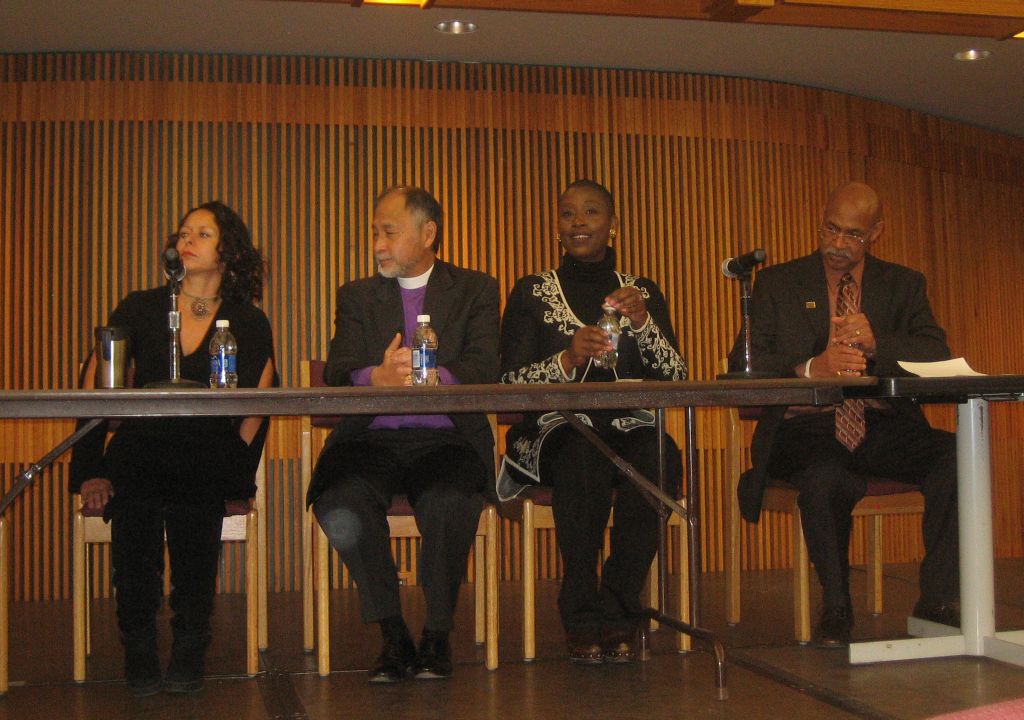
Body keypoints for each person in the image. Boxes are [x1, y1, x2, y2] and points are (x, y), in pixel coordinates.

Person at [728, 181, 959, 647]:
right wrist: (812, 368)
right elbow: (742, 367)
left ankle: (936, 599)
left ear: (876, 232)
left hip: (880, 424)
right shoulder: (777, 283)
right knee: (825, 476)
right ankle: (836, 608)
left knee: (957, 456)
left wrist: (880, 346)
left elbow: (936, 354)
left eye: (852, 234)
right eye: (830, 229)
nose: (836, 244)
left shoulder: (903, 284)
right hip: (804, 427)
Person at [69, 201, 277, 695]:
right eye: (183, 232)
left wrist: (236, 472)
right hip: (140, 447)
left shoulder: (247, 320)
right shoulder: (141, 307)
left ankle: (190, 638)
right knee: (136, 498)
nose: (187, 240)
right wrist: (92, 471)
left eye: (202, 234)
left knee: (193, 497)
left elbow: (259, 401)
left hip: (206, 453)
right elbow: (93, 384)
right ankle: (138, 640)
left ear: (227, 251)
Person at [307, 185, 499, 683]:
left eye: (388, 232)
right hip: (371, 440)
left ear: (427, 233)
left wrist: (437, 378)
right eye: (375, 233)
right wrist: (375, 377)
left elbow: (486, 365)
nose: (378, 244)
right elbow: (338, 368)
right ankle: (392, 632)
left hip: (446, 440)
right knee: (339, 503)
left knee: (450, 499)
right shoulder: (356, 295)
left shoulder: (476, 289)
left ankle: (437, 634)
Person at [498, 179, 687, 664]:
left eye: (591, 212)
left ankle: (620, 605)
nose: (578, 222)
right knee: (583, 458)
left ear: (613, 226)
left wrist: (644, 323)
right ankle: (580, 612)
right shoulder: (531, 292)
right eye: (567, 214)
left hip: (630, 426)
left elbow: (676, 376)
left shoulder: (641, 291)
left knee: (661, 453)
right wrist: (564, 358)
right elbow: (508, 382)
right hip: (555, 429)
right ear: (557, 227)